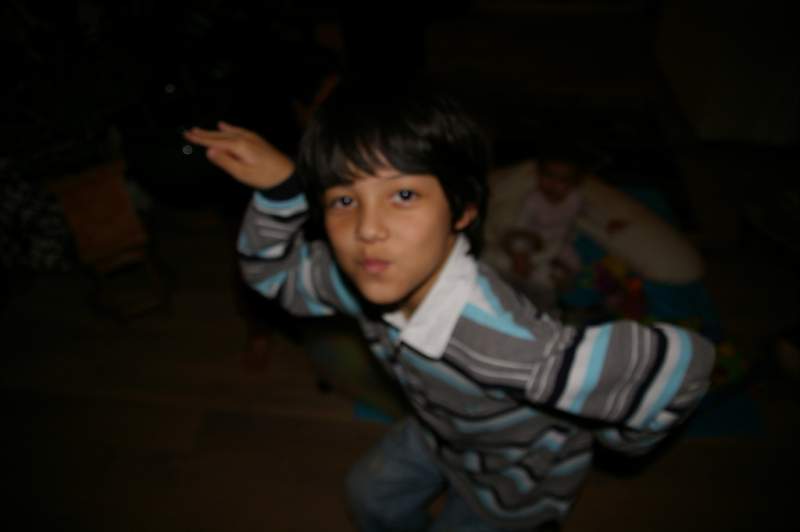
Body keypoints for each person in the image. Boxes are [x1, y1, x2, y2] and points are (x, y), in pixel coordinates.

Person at [184, 81, 715, 532]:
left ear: (462, 211)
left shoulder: (505, 345)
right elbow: (273, 275)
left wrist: (615, 439)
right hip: (437, 429)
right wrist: (282, 191)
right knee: (369, 498)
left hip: (509, 483)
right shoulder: (356, 280)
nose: (367, 229)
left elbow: (684, 367)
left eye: (403, 195)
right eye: (345, 200)